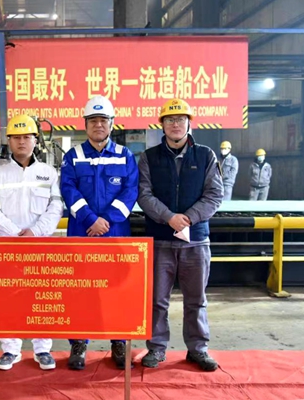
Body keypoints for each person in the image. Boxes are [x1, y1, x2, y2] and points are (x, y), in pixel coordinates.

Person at [137, 98, 223, 372]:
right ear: (162, 124)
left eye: (180, 119)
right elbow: (144, 194)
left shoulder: (206, 155)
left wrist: (188, 218)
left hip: (195, 241)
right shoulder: (149, 157)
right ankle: (156, 348)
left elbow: (214, 194)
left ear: (189, 123)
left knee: (196, 300)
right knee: (157, 300)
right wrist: (168, 217)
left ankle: (198, 349)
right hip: (160, 240)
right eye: (170, 120)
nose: (175, 124)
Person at [60, 95, 139, 370]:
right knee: (80, 290)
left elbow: (131, 191)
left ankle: (119, 342)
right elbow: (68, 189)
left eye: (103, 120)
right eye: (92, 120)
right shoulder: (73, 156)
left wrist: (106, 220)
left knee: (117, 290)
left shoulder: (125, 156)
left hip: (115, 233)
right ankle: (79, 343)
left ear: (111, 123)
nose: (98, 125)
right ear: (85, 124)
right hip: (82, 232)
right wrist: (90, 219)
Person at [0, 115, 63, 371]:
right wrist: (15, 233)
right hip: (8, 247)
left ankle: (42, 349)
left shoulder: (48, 173)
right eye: (16, 137)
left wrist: (35, 233)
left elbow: (56, 207)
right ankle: (10, 349)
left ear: (35, 140)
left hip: (39, 246)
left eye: (26, 137)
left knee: (41, 299)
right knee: (8, 298)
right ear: (9, 141)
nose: (21, 142)